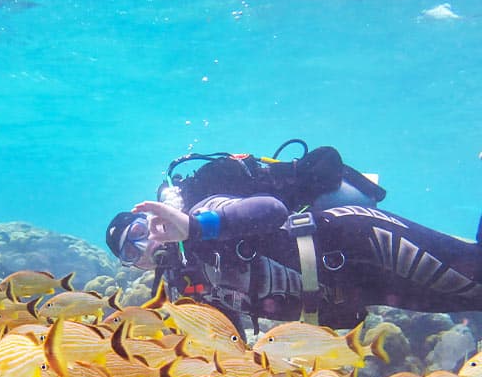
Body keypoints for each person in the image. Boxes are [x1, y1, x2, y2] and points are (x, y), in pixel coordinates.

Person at [106, 140, 482, 332]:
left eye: (141, 231)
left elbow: (270, 210)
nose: (146, 246)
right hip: (355, 286)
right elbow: (226, 335)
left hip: (360, 240)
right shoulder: (185, 284)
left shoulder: (198, 209)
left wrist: (194, 227)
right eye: (131, 251)